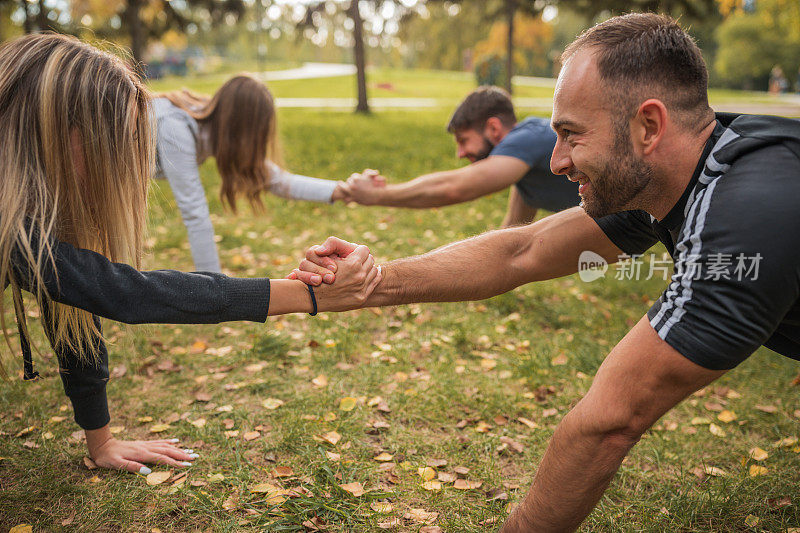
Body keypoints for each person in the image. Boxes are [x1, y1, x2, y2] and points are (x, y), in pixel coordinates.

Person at [293, 13, 800, 532]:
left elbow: (609, 421)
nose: (556, 162)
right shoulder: (681, 167)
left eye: (572, 135)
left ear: (649, 126)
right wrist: (375, 279)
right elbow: (523, 250)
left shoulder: (745, 215)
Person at [0, 33, 379, 476]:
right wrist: (304, 296)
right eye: (113, 145)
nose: (121, 167)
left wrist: (101, 442)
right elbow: (127, 292)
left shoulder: (27, 227)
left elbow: (78, 302)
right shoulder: (16, 230)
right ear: (53, 131)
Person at [154, 75, 352, 272]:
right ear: (241, 130)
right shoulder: (176, 129)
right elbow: (195, 214)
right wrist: (214, 291)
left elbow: (276, 179)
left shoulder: (214, 120)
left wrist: (342, 190)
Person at [342, 86, 579, 227]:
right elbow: (512, 232)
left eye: (463, 141)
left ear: (494, 129)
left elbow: (454, 187)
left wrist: (377, 195)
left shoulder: (528, 139)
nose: (460, 154)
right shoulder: (524, 166)